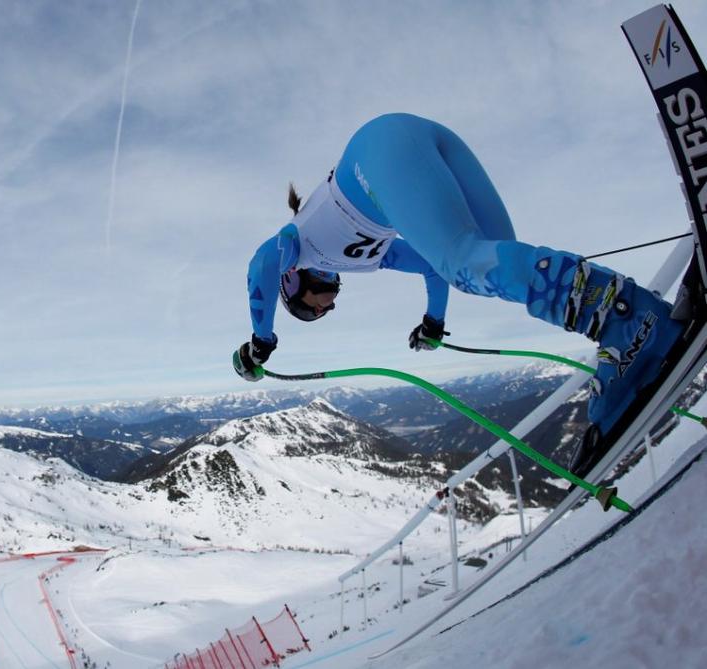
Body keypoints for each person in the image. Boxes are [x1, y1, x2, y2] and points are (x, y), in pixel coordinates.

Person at [233, 113, 686, 473]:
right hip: (413, 138)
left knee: (469, 264)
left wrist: (261, 341)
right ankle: (622, 316)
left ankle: (626, 321)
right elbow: (433, 267)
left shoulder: (298, 247)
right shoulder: (364, 257)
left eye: (312, 312)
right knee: (495, 255)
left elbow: (260, 265)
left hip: (376, 157)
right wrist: (434, 322)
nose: (324, 309)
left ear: (294, 287)